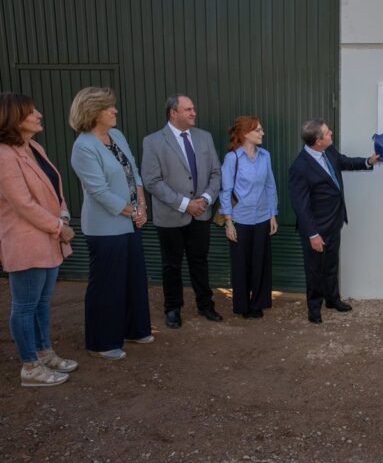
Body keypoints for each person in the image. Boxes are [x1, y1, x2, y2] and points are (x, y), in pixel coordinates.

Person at [70, 87, 153, 360]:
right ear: (93, 113)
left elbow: (134, 173)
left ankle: (134, 329)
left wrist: (141, 204)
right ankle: (102, 341)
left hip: (130, 222)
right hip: (105, 228)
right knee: (108, 284)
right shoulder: (83, 147)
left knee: (133, 279)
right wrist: (133, 212)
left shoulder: (116, 135)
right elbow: (99, 191)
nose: (115, 111)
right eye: (109, 108)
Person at [0, 92, 77, 386]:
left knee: (42, 302)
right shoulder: (5, 156)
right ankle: (30, 366)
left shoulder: (33, 146)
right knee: (24, 305)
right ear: (14, 118)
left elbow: (53, 189)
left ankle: (44, 352)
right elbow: (23, 204)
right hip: (26, 241)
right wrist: (59, 226)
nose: (39, 115)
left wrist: (65, 214)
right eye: (32, 112)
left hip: (49, 236)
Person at [142, 94, 222, 328]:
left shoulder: (204, 137)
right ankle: (173, 309)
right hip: (171, 215)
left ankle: (205, 305)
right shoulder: (153, 142)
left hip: (202, 213)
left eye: (193, 108)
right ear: (173, 113)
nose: (193, 113)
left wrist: (205, 199)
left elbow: (216, 173)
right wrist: (186, 204)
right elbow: (152, 181)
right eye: (188, 109)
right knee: (171, 264)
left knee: (200, 261)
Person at [288, 118, 379, 324]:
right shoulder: (299, 167)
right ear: (318, 141)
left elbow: (345, 161)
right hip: (316, 229)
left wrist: (368, 161)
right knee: (314, 270)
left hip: (334, 222)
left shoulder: (328, 151)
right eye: (328, 133)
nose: (331, 135)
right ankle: (314, 308)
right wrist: (313, 234)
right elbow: (301, 206)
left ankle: (332, 299)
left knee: (331, 264)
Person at [219, 116, 278, 319]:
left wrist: (273, 214)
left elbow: (270, 185)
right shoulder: (232, 158)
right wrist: (228, 222)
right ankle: (243, 305)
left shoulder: (265, 156)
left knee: (261, 262)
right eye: (258, 130)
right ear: (245, 134)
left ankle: (258, 303)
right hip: (240, 220)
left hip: (262, 217)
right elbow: (225, 191)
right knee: (241, 264)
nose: (262, 133)